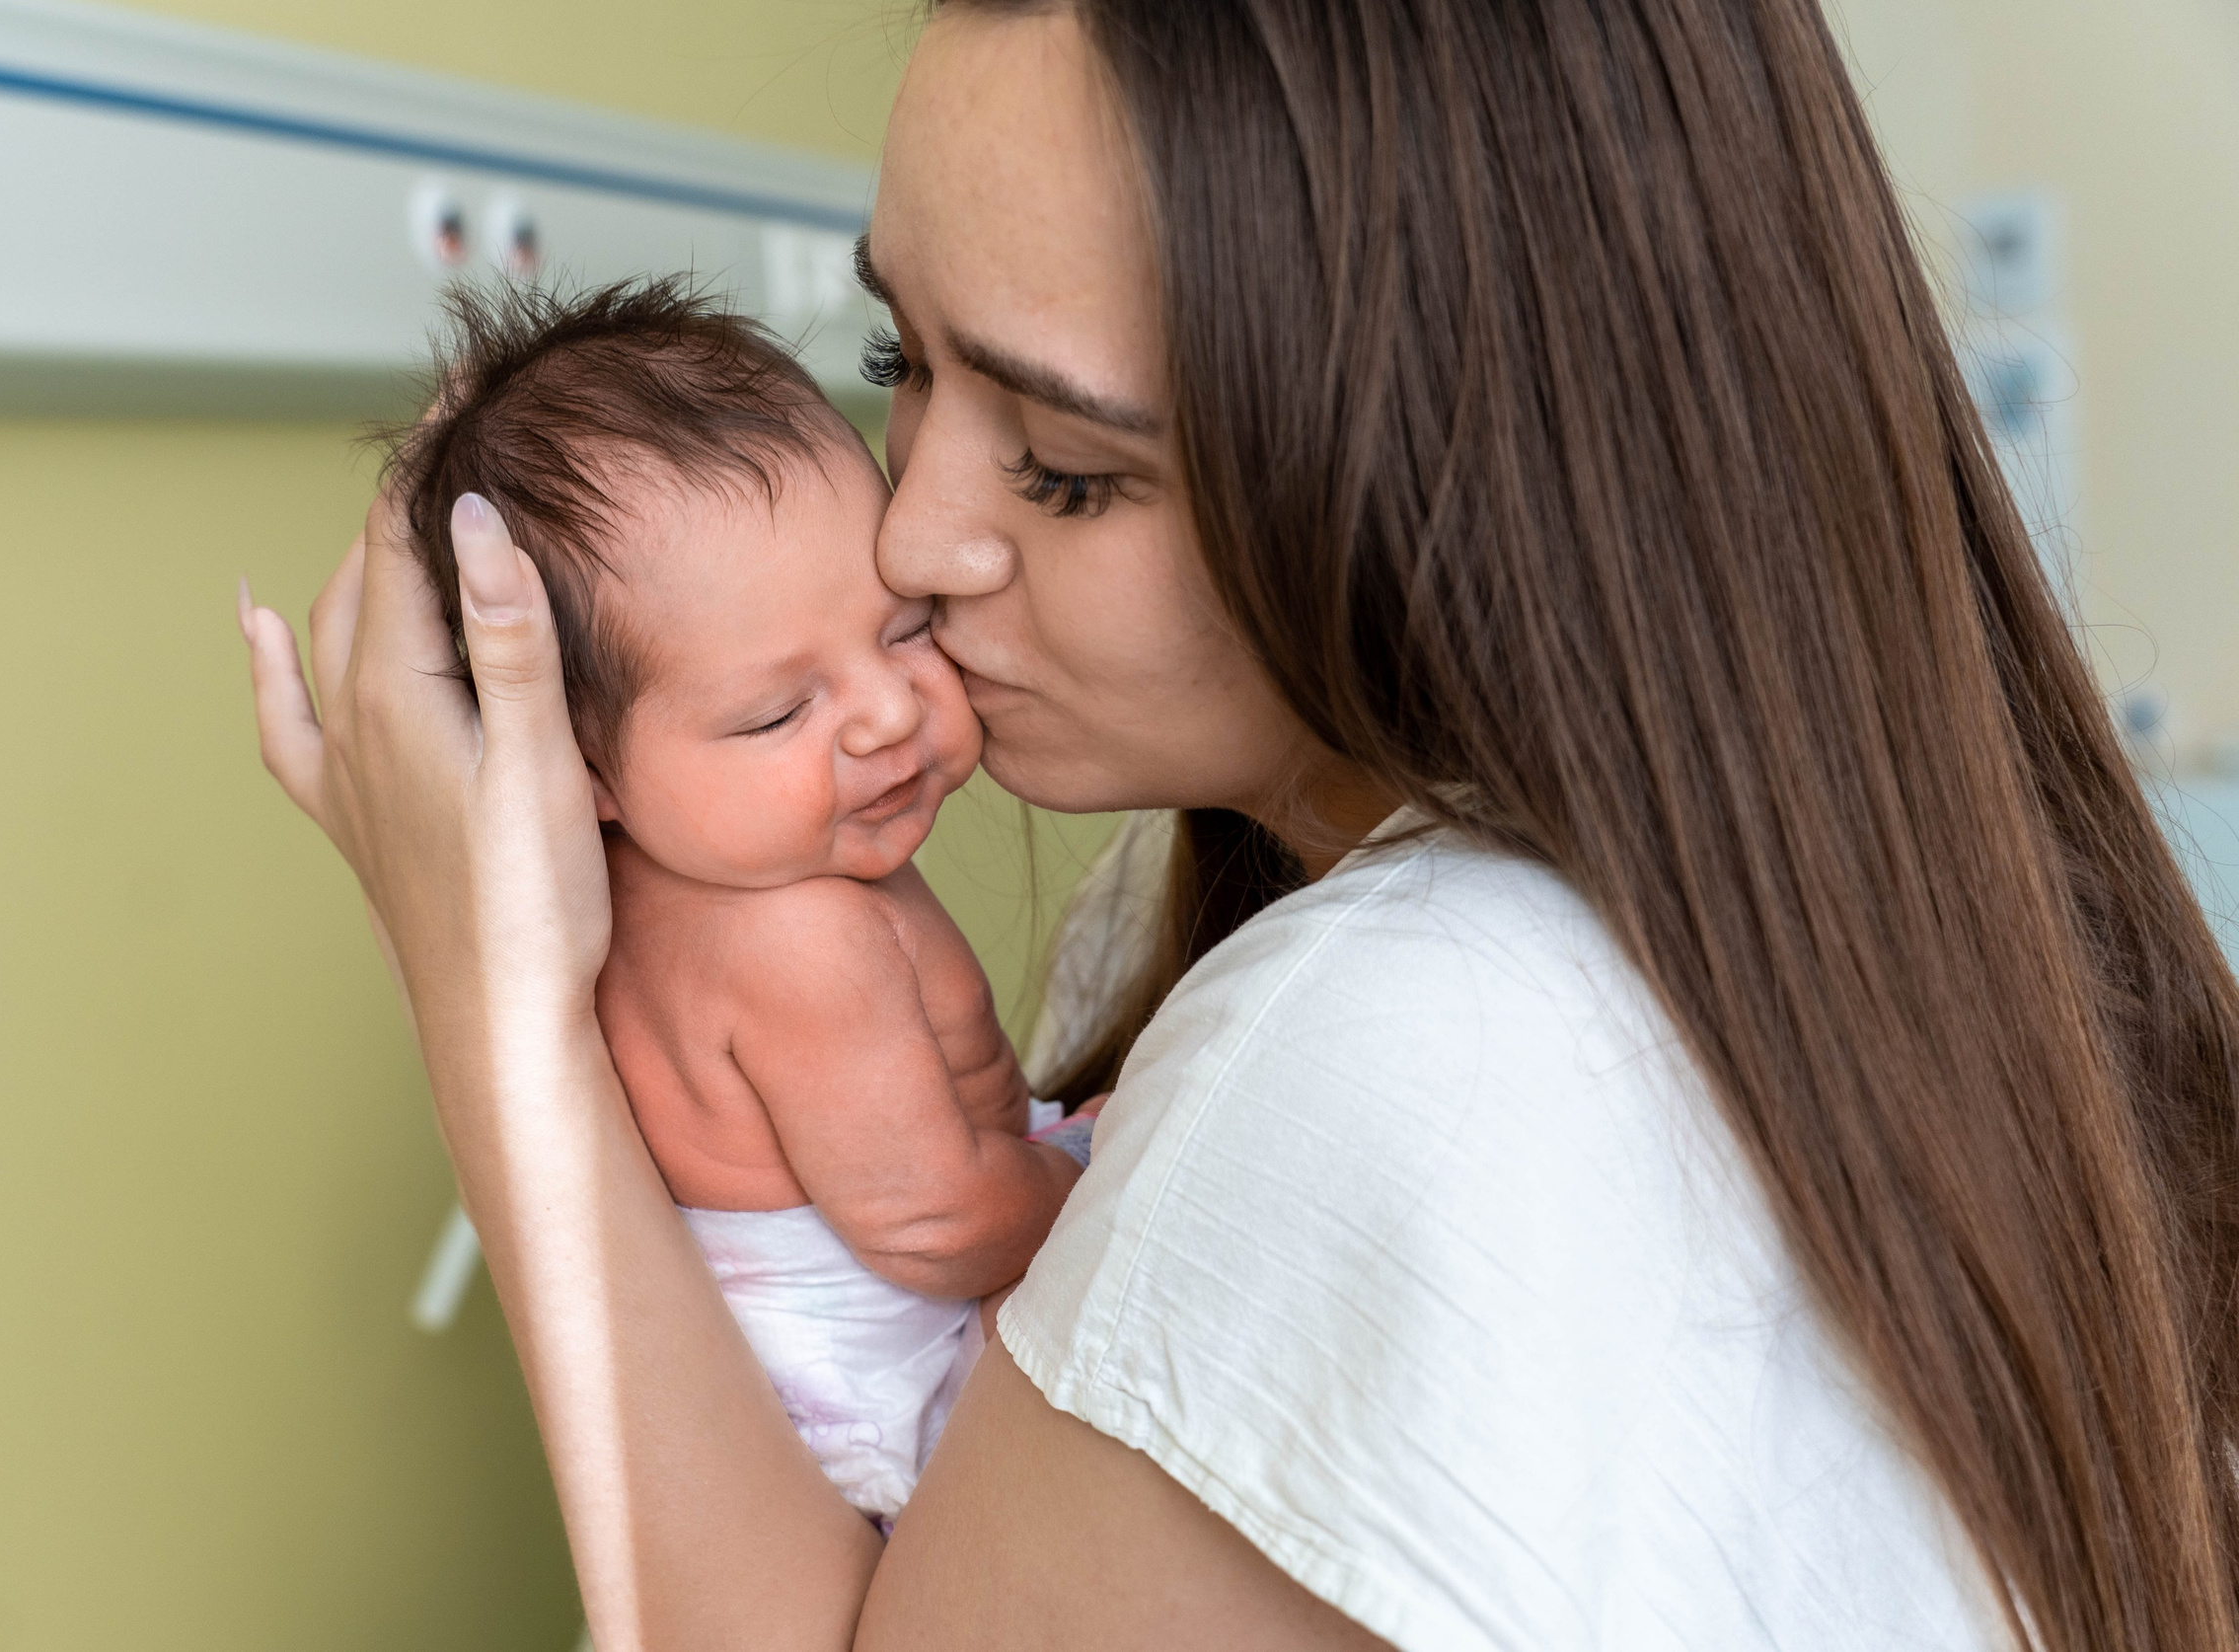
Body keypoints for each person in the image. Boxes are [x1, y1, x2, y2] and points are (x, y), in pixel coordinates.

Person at [240, 2, 2239, 1648]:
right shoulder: (1836, 917)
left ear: (1455, 471)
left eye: (1069, 470)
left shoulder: (1397, 1033)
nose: (915, 537)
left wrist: (494, 1005)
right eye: (894, 364)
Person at [380, 277, 1097, 1522]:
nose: (882, 713)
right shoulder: (793, 933)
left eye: (906, 629)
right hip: (890, 1376)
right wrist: (1101, 1183)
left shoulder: (682, 873)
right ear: (584, 769)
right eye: (779, 710)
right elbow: (930, 1219)